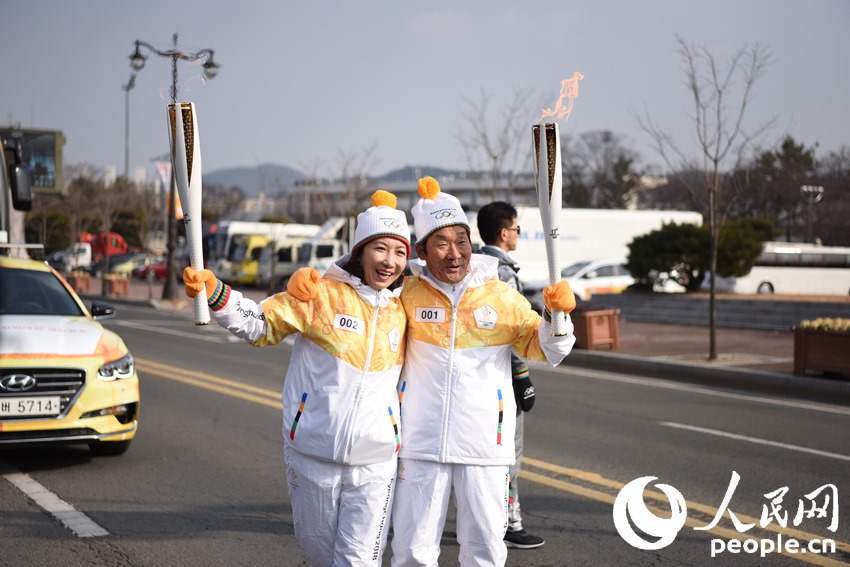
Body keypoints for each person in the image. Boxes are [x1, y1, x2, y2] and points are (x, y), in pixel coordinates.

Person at [183, 190, 411, 566]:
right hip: (313, 454)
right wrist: (215, 292)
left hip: (377, 460)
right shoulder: (320, 296)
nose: (390, 261)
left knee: (357, 561)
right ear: (360, 251)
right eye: (380, 249)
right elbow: (260, 324)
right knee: (320, 554)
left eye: (400, 252)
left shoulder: (405, 308)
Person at [390, 177, 576, 567]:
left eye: (461, 241)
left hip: (484, 445)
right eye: (442, 244)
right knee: (412, 551)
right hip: (420, 443)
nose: (455, 254)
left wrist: (557, 317)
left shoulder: (501, 296)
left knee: (485, 550)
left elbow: (549, 350)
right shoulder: (405, 293)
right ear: (422, 250)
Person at [476, 201, 543, 550]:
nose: (518, 234)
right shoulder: (502, 272)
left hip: (479, 374)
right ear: (504, 233)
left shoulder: (475, 265)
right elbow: (513, 330)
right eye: (516, 229)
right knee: (508, 453)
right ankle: (508, 523)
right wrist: (523, 378)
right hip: (502, 375)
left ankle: (483, 520)